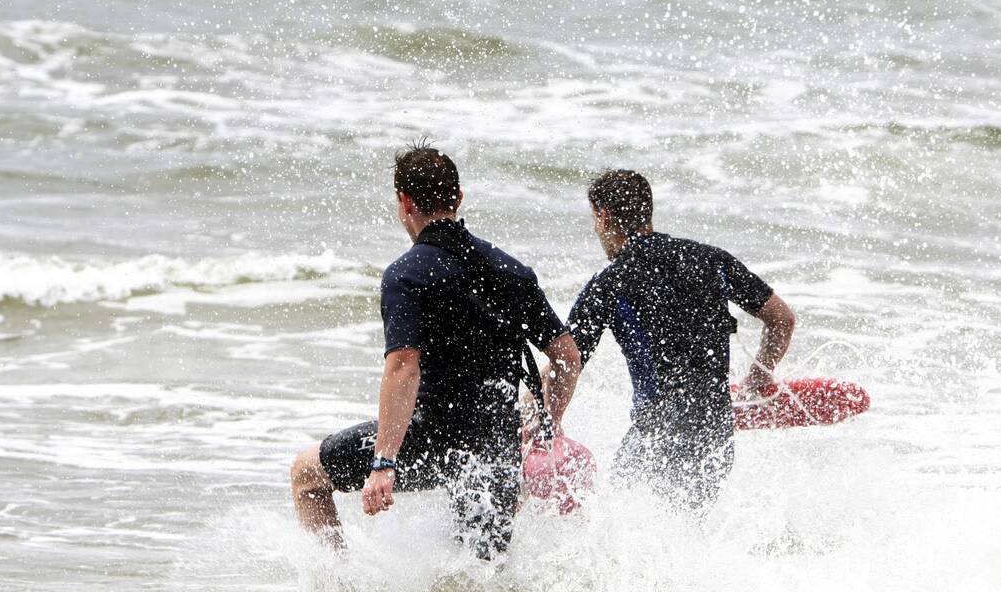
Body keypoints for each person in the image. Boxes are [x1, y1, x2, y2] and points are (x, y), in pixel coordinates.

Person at [290, 144, 580, 559]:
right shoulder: (511, 270)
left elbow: (403, 368)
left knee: (306, 476)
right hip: (496, 446)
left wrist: (383, 463)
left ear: (405, 202)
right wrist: (547, 422)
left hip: (432, 438)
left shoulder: (407, 275)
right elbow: (567, 356)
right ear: (458, 198)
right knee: (483, 578)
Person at [564, 170, 795, 511]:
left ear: (603, 217)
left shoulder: (609, 282)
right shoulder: (711, 260)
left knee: (624, 537)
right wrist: (759, 377)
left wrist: (536, 416)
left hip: (655, 437)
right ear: (647, 213)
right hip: (714, 437)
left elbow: (566, 362)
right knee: (686, 538)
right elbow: (781, 319)